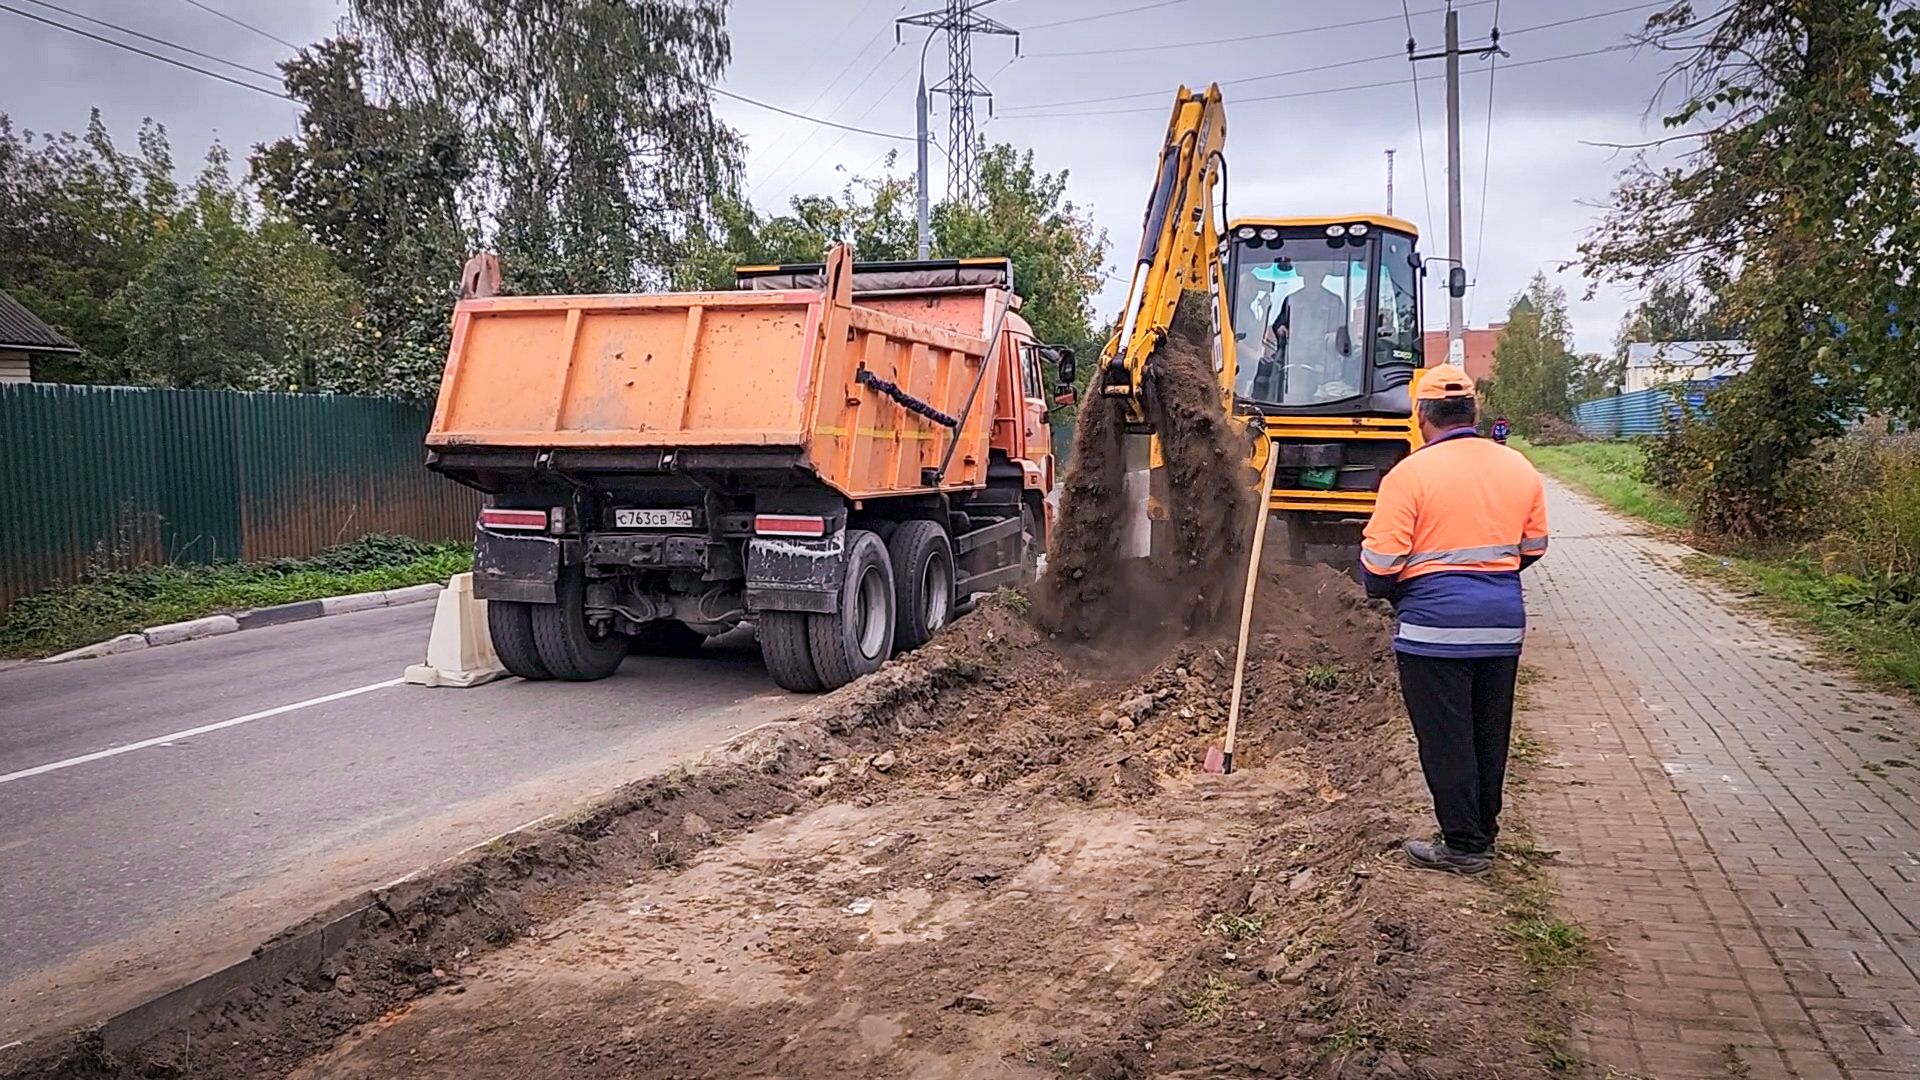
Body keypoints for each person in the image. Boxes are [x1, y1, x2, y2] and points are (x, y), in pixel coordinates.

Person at [1358, 364, 1549, 876]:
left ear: (1422, 415)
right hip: (1503, 627)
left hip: (1434, 632)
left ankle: (1463, 846)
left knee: (1447, 740)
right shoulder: (1519, 469)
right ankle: (1482, 833)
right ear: (1474, 411)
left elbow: (1379, 568)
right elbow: (1533, 547)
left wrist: (1396, 588)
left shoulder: (1409, 475)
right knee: (1489, 734)